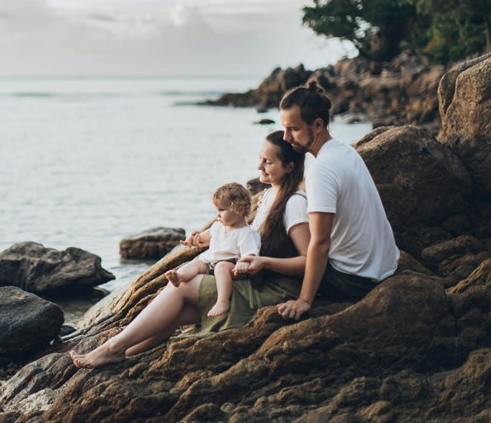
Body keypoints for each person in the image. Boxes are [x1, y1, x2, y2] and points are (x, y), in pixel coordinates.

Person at [70, 131, 309, 368]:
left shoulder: (294, 203)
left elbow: (309, 261)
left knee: (181, 286)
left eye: (268, 161)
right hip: (253, 279)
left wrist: (265, 263)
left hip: (272, 289)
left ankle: (111, 348)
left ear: (289, 167)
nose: (259, 165)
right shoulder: (269, 195)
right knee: (180, 310)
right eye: (259, 158)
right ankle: (128, 351)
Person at [276, 80, 400, 321]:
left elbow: (321, 243)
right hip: (384, 267)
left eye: (293, 129)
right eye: (284, 128)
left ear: (318, 125)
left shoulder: (321, 169)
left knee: (277, 254)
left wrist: (304, 300)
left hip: (355, 279)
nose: (286, 137)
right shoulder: (344, 150)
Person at [165, 182, 261, 317]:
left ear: (238, 210)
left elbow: (250, 253)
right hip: (211, 262)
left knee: (221, 267)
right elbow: (204, 237)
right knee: (196, 263)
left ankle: (222, 301)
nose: (218, 215)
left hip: (232, 266)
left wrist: (243, 264)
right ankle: (180, 277)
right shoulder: (218, 226)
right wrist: (193, 239)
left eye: (221, 210)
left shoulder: (246, 233)